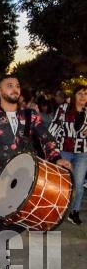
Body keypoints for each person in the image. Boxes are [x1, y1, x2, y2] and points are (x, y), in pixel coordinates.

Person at [0, 76, 71, 269]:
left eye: (17, 85)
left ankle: (0, 244)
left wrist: (57, 158)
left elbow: (46, 138)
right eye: (9, 85)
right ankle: (2, 263)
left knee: (32, 218)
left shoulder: (31, 116)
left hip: (27, 175)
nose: (15, 89)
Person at [48, 84, 87, 225]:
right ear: (74, 95)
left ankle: (74, 212)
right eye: (80, 93)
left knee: (79, 184)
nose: (83, 96)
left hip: (82, 153)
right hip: (64, 150)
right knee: (60, 183)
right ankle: (54, 210)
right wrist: (50, 146)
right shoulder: (63, 109)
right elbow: (53, 128)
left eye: (85, 94)